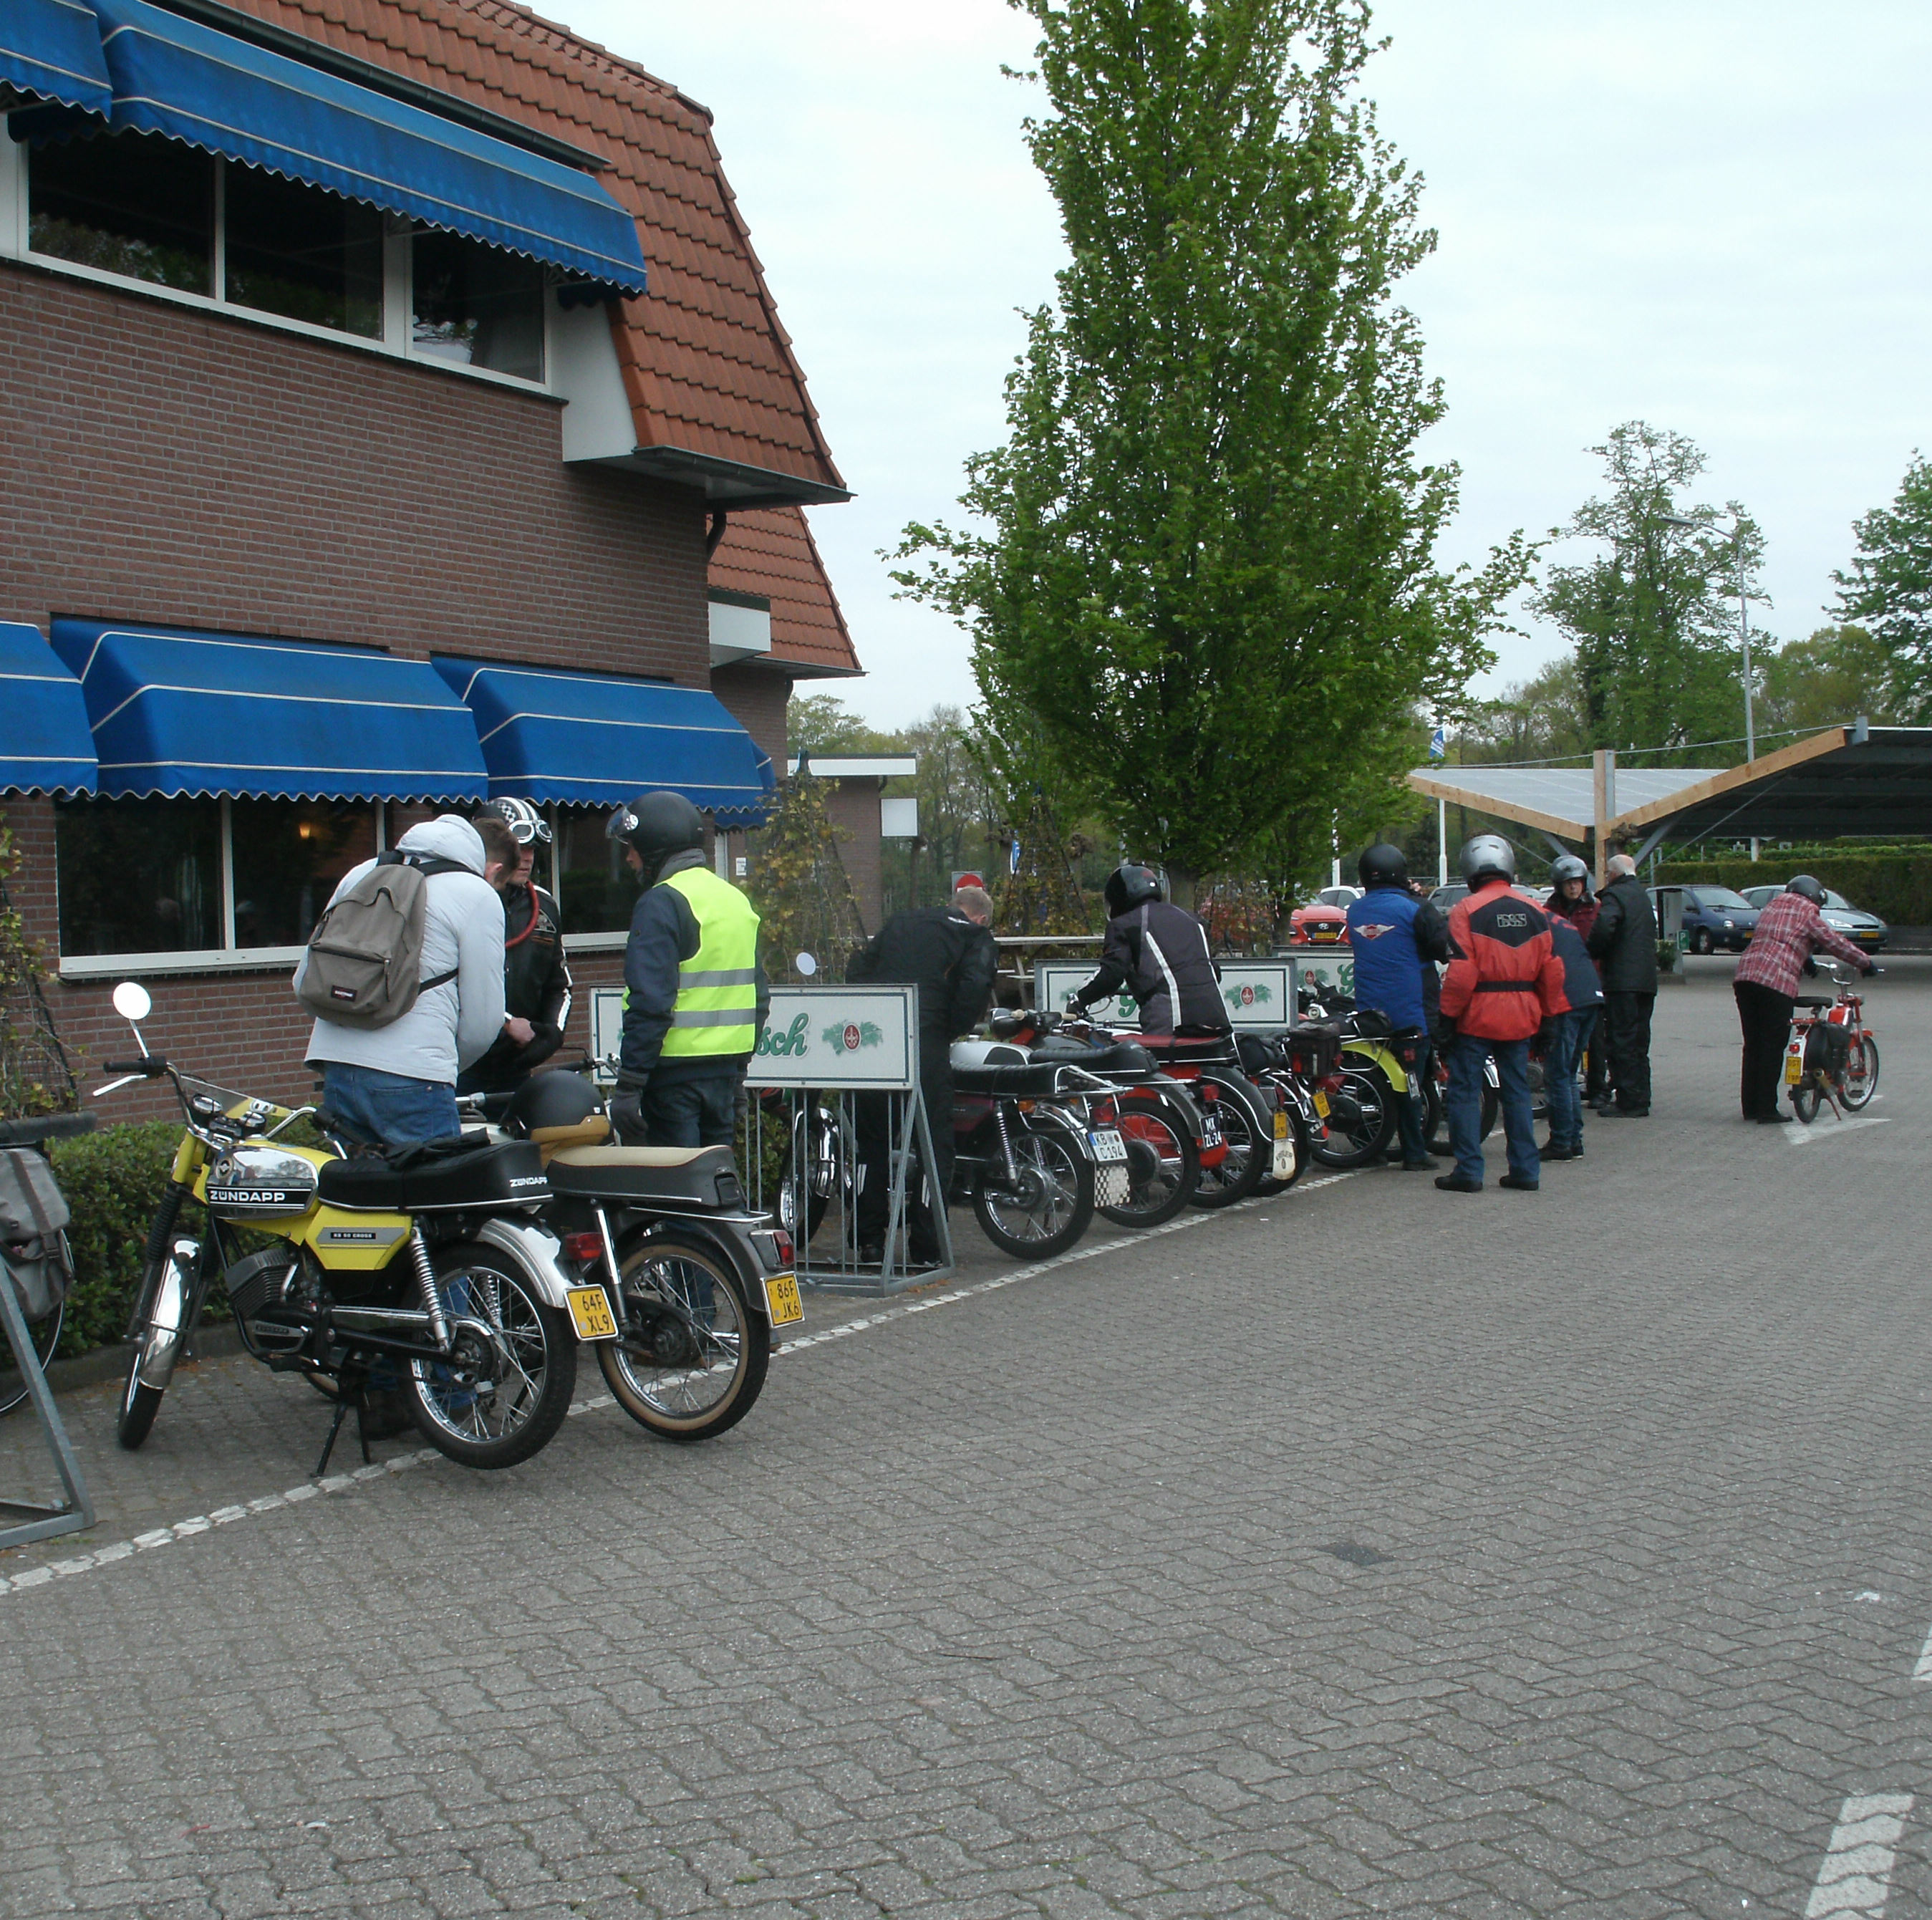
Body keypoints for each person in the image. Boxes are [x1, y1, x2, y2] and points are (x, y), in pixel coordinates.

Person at [298, 814, 508, 1148]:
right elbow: (484, 1020)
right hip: (416, 1075)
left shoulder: (361, 874)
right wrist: (442, 1062)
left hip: (337, 1065)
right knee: (435, 1180)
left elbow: (304, 980)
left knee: (356, 1181)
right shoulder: (476, 894)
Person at [848, 885, 999, 1264]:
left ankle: (868, 1241)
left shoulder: (900, 922)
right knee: (933, 1144)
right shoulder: (974, 935)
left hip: (879, 1040)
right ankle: (927, 1247)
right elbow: (976, 984)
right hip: (926, 1040)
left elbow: (858, 969)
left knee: (872, 1141)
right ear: (980, 918)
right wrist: (951, 1027)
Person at [607, 791, 768, 1149]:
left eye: (632, 847)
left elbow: (651, 1002)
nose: (629, 857)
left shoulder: (662, 902)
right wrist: (738, 1074)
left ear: (653, 846)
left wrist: (630, 1084)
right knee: (717, 1176)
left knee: (676, 1182)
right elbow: (759, 998)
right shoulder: (734, 900)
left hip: (672, 1082)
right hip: (724, 1077)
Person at [1434, 833, 1564, 1194]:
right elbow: (1552, 969)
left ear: (1470, 871)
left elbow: (1462, 974)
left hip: (1477, 1014)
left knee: (1464, 1092)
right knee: (1517, 1092)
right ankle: (1525, 1170)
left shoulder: (1467, 910)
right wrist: (1549, 1017)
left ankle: (1469, 1171)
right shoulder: (1536, 910)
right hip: (1522, 1013)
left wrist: (1447, 1018)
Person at [1731, 874, 1875, 1123]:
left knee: (1753, 1045)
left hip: (1745, 979)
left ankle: (1750, 1107)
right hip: (1775, 983)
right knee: (1772, 1046)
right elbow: (1834, 942)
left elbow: (1779, 937)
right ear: (1814, 897)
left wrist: (1807, 960)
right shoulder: (1808, 912)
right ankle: (1766, 1110)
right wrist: (1865, 963)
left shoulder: (1771, 907)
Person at [1344, 843, 1450, 1170]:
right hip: (1411, 1011)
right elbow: (1444, 947)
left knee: (1374, 1080)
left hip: (1370, 1013)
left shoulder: (1354, 911)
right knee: (1412, 1083)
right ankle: (1414, 1153)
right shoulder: (1415, 909)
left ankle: (1369, 1146)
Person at [458, 799, 574, 1097]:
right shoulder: (458, 900)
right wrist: (507, 1023)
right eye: (518, 849)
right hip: (459, 1066)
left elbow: (559, 985)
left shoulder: (544, 906)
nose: (527, 858)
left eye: (533, 849)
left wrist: (550, 1036)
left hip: (516, 1068)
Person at [1068, 866, 1227, 1035]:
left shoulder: (1125, 924)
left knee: (1126, 1050)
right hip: (1218, 1022)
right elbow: (1214, 971)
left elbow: (1111, 974)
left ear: (1118, 897)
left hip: (1173, 1025)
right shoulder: (1192, 920)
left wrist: (1079, 999)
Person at [1539, 874, 1605, 1161]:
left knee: (1558, 1074)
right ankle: (1573, 1139)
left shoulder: (1538, 925)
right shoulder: (1560, 922)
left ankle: (1562, 1141)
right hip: (1591, 996)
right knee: (1568, 1073)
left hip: (1568, 1001)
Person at [1587, 852, 1659, 1116]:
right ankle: (1642, 1096)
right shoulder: (1642, 896)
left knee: (1621, 1039)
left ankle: (1628, 1100)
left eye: (1608, 873)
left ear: (1614, 874)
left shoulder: (1614, 896)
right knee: (1640, 1041)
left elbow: (1605, 926)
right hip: (1646, 980)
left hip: (1621, 980)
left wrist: (1591, 951)